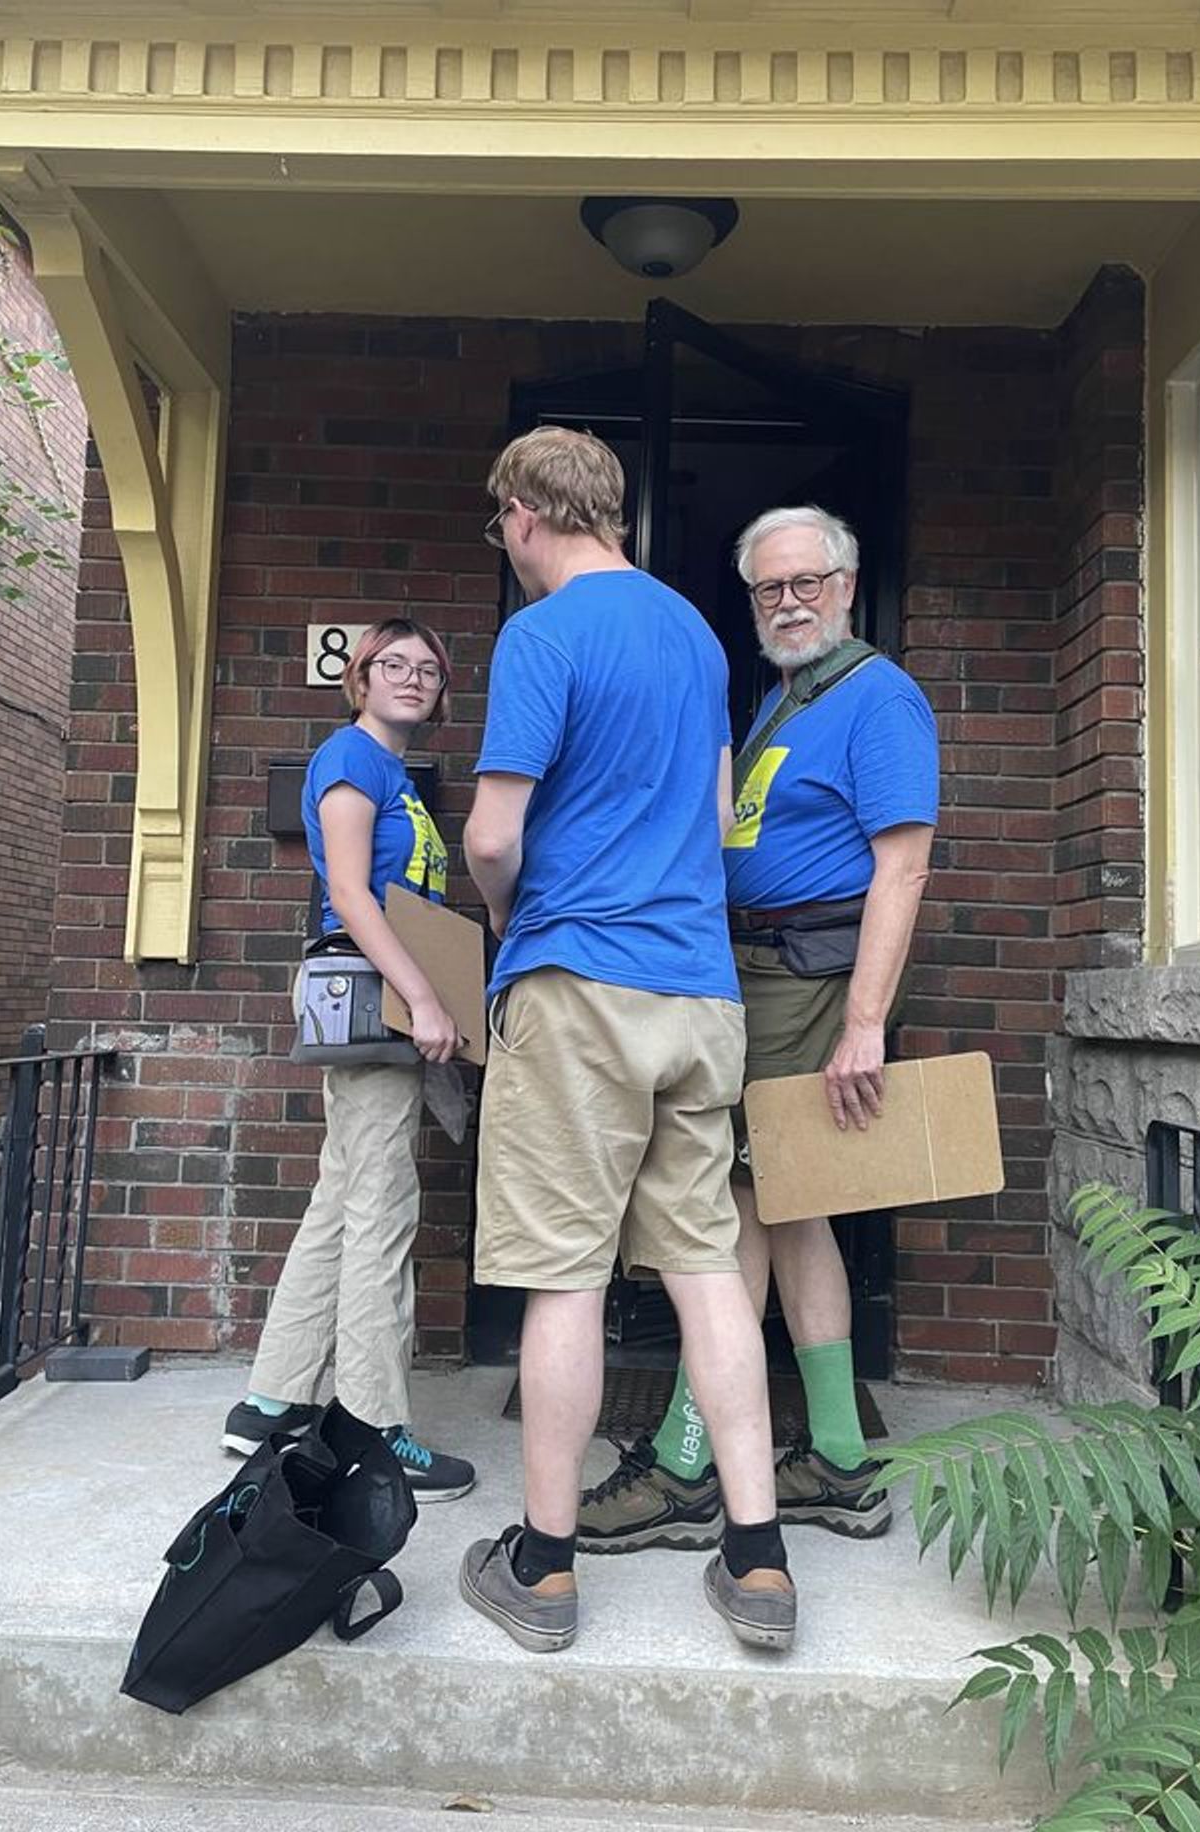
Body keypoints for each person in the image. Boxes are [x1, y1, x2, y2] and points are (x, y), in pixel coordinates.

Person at [457, 427, 793, 1655]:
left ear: (524, 511)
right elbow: (709, 816)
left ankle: (542, 1568)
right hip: (700, 993)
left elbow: (493, 836)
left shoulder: (542, 635)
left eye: (499, 523)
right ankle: (756, 1557)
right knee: (709, 1265)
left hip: (579, 982)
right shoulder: (698, 635)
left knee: (565, 1275)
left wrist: (509, 923)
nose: (502, 544)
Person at [576, 504, 937, 1552]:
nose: (788, 602)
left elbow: (902, 865)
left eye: (806, 582)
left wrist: (863, 1023)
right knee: (795, 1205)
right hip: (757, 970)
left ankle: (689, 1457)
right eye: (768, 588)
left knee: (729, 1204)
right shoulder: (785, 699)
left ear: (847, 583)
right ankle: (837, 1454)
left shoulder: (879, 697)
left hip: (810, 978)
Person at [221, 617, 476, 1504]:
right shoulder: (351, 759)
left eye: (428, 669)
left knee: (343, 1193)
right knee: (380, 1207)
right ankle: (373, 1427)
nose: (412, 678)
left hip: (385, 994)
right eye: (392, 665)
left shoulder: (393, 773)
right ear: (358, 679)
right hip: (373, 997)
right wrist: (428, 998)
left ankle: (270, 1399)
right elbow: (350, 898)